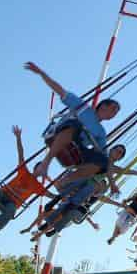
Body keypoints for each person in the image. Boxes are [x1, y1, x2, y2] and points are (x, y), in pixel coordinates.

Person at [24, 62, 121, 191]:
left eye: (117, 112)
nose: (115, 113)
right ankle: (45, 163)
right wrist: (41, 73)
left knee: (102, 161)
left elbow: (105, 158)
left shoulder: (101, 132)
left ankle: (65, 181)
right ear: (103, 106)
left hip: (75, 149)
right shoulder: (83, 107)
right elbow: (59, 89)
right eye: (114, 109)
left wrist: (112, 183)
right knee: (75, 124)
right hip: (62, 132)